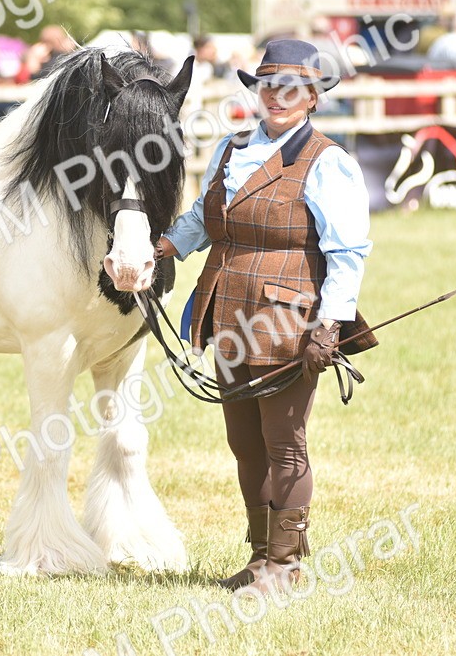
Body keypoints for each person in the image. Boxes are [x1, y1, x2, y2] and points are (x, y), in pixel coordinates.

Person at [155, 39, 376, 595]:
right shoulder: (230, 150)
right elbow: (205, 221)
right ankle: (260, 558)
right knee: (244, 442)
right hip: (225, 306)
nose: (278, 97)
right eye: (269, 86)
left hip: (287, 315)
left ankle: (286, 565)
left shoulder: (329, 162)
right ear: (256, 92)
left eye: (293, 89)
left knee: (285, 442)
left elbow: (347, 252)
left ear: (312, 99)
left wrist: (330, 324)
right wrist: (163, 248)